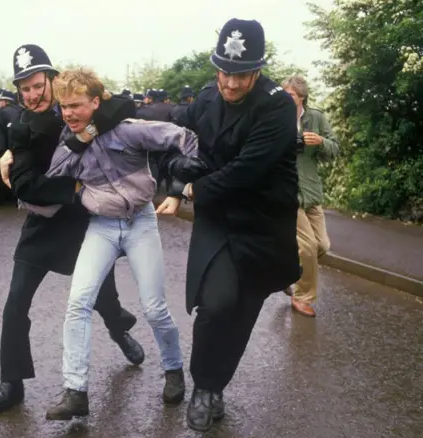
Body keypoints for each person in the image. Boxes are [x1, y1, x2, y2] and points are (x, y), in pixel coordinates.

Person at [18, 68, 196, 420]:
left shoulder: (128, 129)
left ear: (96, 102)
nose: (68, 113)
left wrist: (179, 190)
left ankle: (174, 370)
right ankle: (76, 391)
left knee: (154, 308)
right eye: (64, 106)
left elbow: (184, 138)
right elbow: (49, 182)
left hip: (140, 223)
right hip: (99, 226)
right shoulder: (68, 146)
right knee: (78, 302)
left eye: (77, 106)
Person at [0, 45, 144, 414]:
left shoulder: (72, 106)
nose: (32, 95)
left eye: (38, 85)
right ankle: (12, 381)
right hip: (43, 222)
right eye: (24, 89)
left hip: (85, 223)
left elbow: (123, 106)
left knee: (104, 297)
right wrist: (74, 188)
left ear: (53, 81)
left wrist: (88, 130)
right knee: (15, 302)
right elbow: (25, 185)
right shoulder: (21, 128)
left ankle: (120, 331)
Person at [169, 18, 301, 432]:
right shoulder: (207, 98)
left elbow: (248, 169)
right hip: (219, 220)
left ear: (258, 70)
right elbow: (170, 129)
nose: (229, 82)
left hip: (263, 223)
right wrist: (174, 170)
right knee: (216, 304)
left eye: (240, 74)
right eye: (223, 70)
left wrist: (190, 191)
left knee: (243, 311)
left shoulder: (278, 105)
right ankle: (202, 386)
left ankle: (215, 387)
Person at [282, 75, 339, 317]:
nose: (287, 98)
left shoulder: (316, 118)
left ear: (301, 96)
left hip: (311, 190)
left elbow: (335, 149)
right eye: (284, 93)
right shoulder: (275, 117)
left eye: (291, 94)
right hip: (287, 190)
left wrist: (322, 141)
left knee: (322, 246)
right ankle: (302, 296)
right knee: (307, 247)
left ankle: (286, 273)